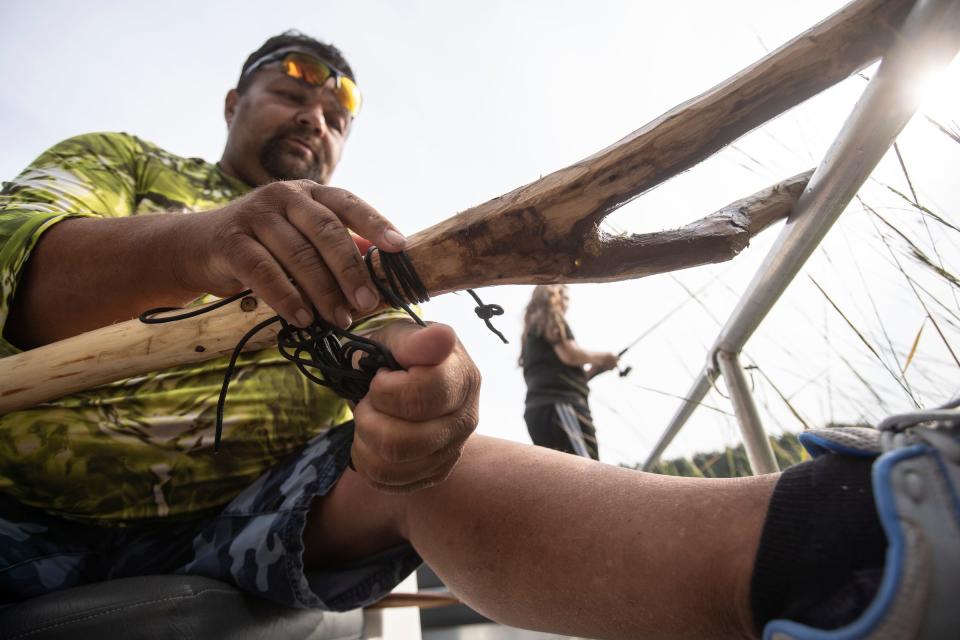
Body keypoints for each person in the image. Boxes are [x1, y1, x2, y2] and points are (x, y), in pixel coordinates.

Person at [0, 30, 957, 640]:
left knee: (429, 473)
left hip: (238, 526)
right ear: (233, 105)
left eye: (334, 116)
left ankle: (854, 547)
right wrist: (202, 242)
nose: (314, 119)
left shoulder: (357, 249)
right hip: (18, 510)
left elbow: (406, 374)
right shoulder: (122, 168)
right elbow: (17, 255)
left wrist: (428, 407)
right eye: (291, 94)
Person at [520, 284, 619, 460]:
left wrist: (592, 372)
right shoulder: (552, 317)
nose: (567, 303)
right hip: (562, 407)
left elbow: (557, 372)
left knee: (561, 476)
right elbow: (570, 355)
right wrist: (605, 358)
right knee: (587, 471)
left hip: (540, 411)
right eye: (564, 297)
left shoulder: (531, 332)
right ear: (552, 297)